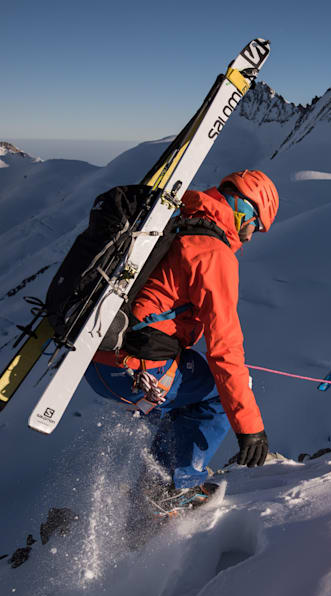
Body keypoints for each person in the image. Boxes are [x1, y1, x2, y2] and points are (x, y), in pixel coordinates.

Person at [84, 169, 279, 513]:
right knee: (219, 392)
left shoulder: (174, 222)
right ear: (243, 210)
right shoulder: (213, 253)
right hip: (138, 371)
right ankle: (176, 487)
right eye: (257, 225)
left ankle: (156, 483)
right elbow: (225, 350)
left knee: (189, 387)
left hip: (97, 358)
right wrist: (250, 428)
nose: (251, 236)